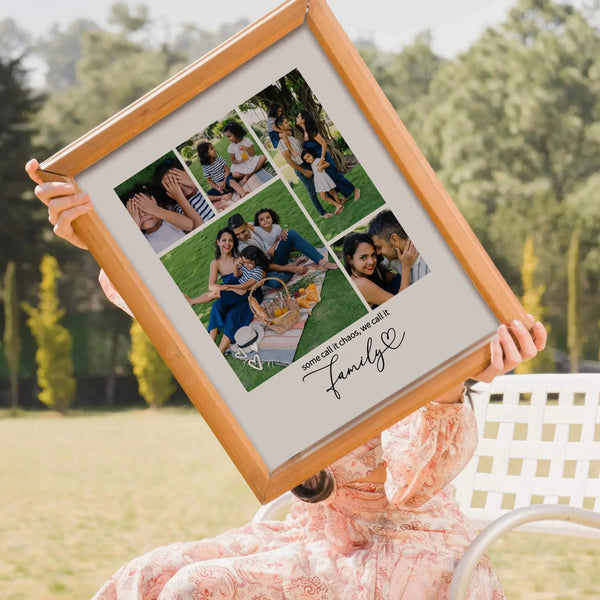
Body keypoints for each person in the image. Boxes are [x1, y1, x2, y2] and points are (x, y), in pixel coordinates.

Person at [26, 159, 547, 599]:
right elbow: (173, 321)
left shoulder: (418, 338)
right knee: (143, 578)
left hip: (409, 549)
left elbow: (412, 484)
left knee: (194, 588)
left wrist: (448, 385)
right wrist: (99, 235)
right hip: (317, 533)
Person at [196, 229, 266, 354]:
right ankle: (211, 341)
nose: (227, 243)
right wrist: (231, 281)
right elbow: (216, 284)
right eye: (224, 240)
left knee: (232, 315)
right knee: (217, 304)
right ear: (218, 242)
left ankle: (220, 351)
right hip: (236, 291)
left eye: (231, 240)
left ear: (234, 243)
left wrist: (228, 287)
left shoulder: (244, 256)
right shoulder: (233, 260)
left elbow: (251, 280)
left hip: (249, 294)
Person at [227, 212, 338, 288]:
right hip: (265, 268)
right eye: (237, 234)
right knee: (275, 283)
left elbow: (272, 233)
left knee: (290, 234)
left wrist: (280, 235)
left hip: (274, 256)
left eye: (243, 231)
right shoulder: (241, 247)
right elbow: (263, 266)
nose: (241, 236)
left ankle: (322, 262)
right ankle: (293, 265)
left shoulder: (253, 225)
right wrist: (292, 269)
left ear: (247, 225)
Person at [273, 115, 332, 218]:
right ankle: (322, 213)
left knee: (322, 181)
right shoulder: (282, 142)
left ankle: (335, 200)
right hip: (301, 168)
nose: (289, 123)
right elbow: (288, 160)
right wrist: (303, 171)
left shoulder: (291, 137)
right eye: (286, 122)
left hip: (308, 164)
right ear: (281, 127)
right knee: (312, 191)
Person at [296, 110, 360, 202]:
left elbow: (324, 144)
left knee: (335, 176)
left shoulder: (312, 132)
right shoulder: (304, 133)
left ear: (303, 119)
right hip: (316, 160)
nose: (296, 118)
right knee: (329, 178)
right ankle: (345, 194)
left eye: (298, 117)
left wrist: (322, 159)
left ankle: (355, 190)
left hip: (323, 157)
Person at [118, 184, 191, 253]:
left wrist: (155, 210)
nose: (143, 214)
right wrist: (135, 226)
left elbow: (190, 225)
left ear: (160, 206)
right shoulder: (142, 241)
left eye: (146, 208)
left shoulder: (171, 221)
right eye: (136, 212)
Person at [368, 209, 429, 291]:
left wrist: (405, 266)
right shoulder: (395, 256)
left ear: (395, 240)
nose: (377, 253)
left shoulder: (426, 267)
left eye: (379, 247)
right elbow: (381, 266)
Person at [154, 158, 215, 228]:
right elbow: (199, 227)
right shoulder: (181, 209)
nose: (179, 185)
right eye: (172, 185)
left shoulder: (200, 190)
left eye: (178, 178)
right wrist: (180, 198)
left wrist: (192, 183)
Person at [342, 232, 395, 308]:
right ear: (350, 259)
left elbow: (395, 277)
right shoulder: (360, 284)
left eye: (373, 255)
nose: (371, 262)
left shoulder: (374, 273)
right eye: (363, 257)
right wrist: (405, 266)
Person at [301, 147, 346, 214]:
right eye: (306, 159)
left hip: (324, 180)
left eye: (308, 156)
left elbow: (327, 164)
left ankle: (339, 205)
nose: (308, 159)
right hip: (319, 182)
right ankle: (338, 205)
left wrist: (321, 166)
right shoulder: (312, 164)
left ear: (311, 154)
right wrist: (311, 173)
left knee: (333, 194)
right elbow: (317, 172)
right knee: (323, 197)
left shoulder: (318, 160)